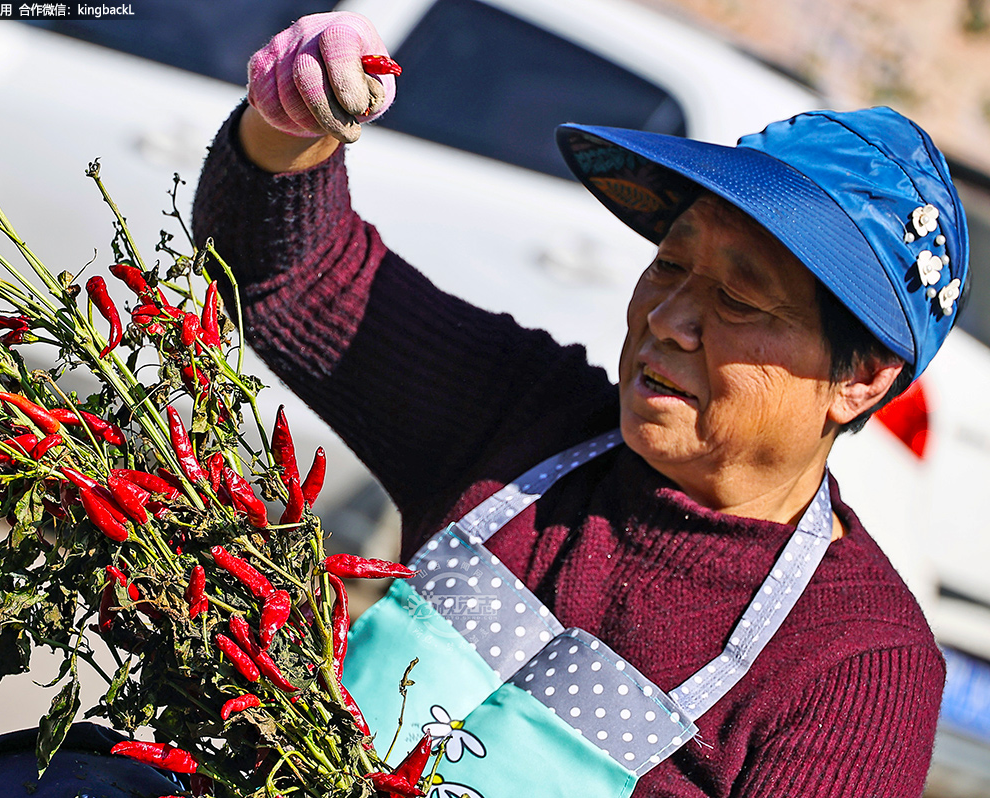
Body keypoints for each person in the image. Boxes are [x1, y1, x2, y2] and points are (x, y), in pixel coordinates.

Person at [191, 12, 964, 798]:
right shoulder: (523, 425)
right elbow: (290, 275)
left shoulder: (858, 668)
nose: (667, 320)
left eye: (736, 298)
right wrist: (289, 126)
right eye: (670, 264)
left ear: (862, 377)